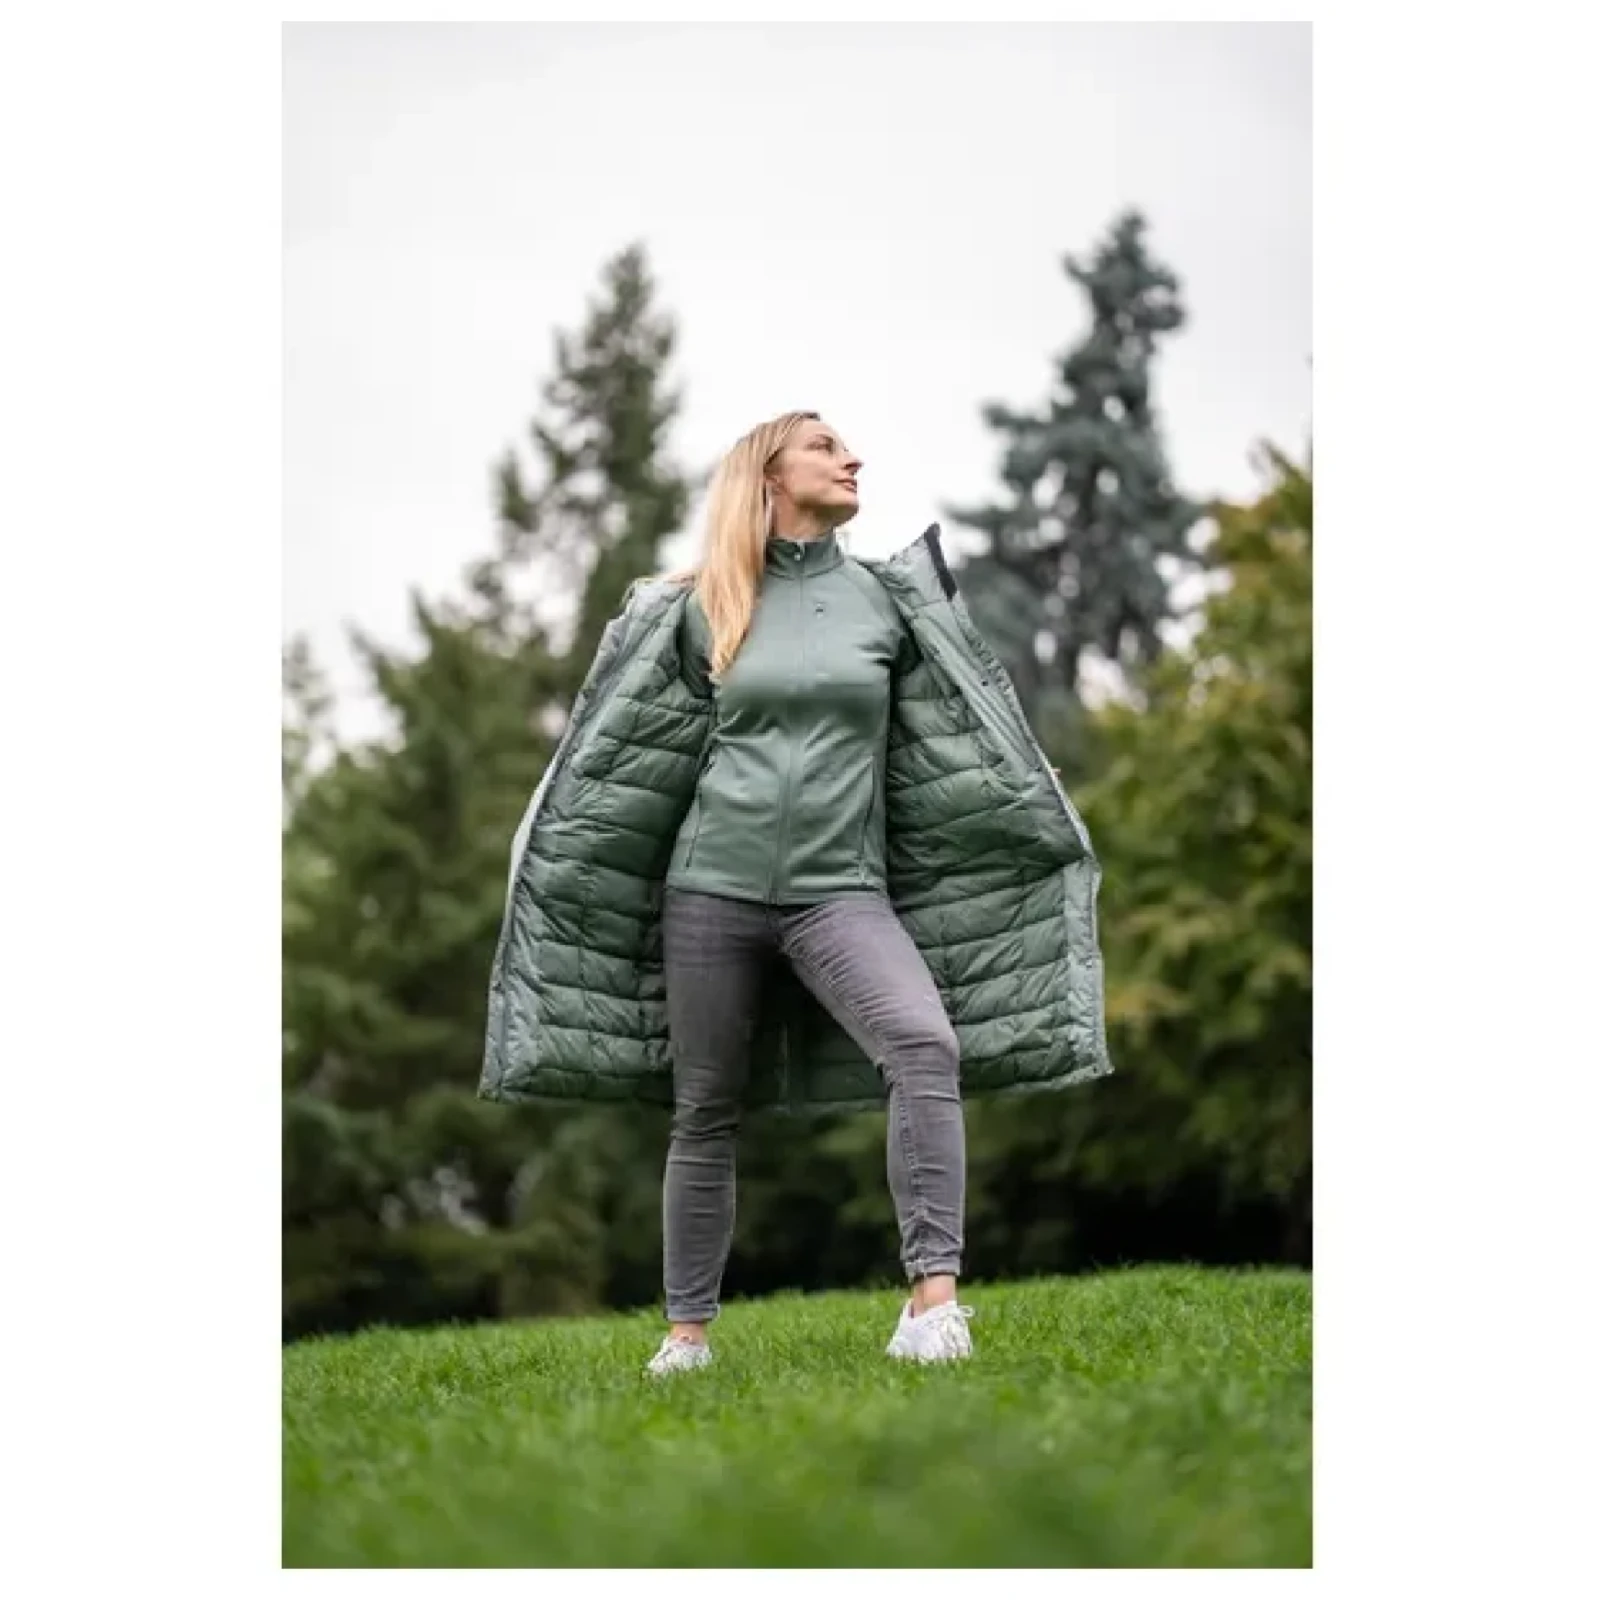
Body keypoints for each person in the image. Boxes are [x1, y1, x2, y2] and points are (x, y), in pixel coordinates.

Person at [478, 411, 1113, 1379]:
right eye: (824, 446)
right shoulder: (702, 603)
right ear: (768, 475)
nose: (851, 458)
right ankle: (686, 1338)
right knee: (704, 1110)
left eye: (845, 448)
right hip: (709, 888)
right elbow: (634, 747)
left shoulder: (884, 602)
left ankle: (933, 1305)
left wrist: (1018, 797)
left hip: (840, 893)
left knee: (924, 1046)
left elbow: (945, 734)